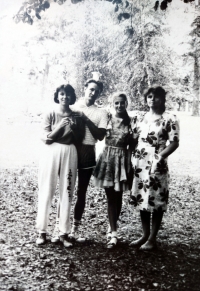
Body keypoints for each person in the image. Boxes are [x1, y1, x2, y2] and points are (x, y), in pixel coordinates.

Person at [51, 78, 108, 242]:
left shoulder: (101, 112)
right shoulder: (73, 107)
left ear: (99, 93)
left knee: (81, 191)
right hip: (71, 148)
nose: (93, 92)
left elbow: (100, 135)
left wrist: (85, 119)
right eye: (90, 89)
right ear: (85, 89)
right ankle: (59, 227)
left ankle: (75, 228)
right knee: (64, 189)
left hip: (88, 151)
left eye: (96, 91)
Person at [129, 86, 180, 250]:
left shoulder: (169, 119)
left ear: (162, 99)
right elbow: (134, 138)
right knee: (142, 198)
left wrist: (160, 157)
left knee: (156, 199)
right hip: (140, 162)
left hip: (157, 162)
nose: (152, 99)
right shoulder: (140, 117)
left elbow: (174, 142)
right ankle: (144, 234)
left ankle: (152, 238)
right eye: (149, 96)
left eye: (156, 97)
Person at [36, 84, 84, 247]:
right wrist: (62, 125)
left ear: (72, 97)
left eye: (68, 94)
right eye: (62, 94)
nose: (65, 97)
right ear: (57, 96)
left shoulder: (76, 115)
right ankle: (42, 232)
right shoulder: (50, 113)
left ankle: (63, 232)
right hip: (51, 151)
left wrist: (74, 127)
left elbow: (79, 139)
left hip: (70, 151)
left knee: (67, 191)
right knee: (47, 189)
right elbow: (48, 138)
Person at [93, 92, 133, 249]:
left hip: (122, 159)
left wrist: (129, 162)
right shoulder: (108, 118)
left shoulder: (131, 121)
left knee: (119, 196)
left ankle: (112, 226)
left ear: (126, 104)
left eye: (122, 103)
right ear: (113, 104)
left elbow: (133, 144)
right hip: (108, 159)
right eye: (116, 103)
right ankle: (114, 234)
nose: (119, 106)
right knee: (110, 196)